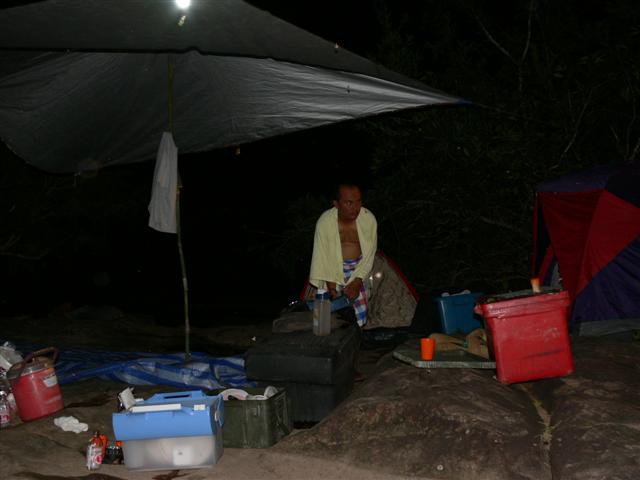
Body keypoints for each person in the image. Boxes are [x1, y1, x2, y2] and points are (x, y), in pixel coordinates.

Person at [309, 183, 377, 327]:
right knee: (328, 317)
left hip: (359, 269)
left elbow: (369, 255)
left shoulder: (368, 219)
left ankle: (357, 334)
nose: (356, 208)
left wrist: (357, 282)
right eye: (349, 203)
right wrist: (332, 289)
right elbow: (323, 257)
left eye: (358, 201)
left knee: (358, 318)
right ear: (336, 204)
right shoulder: (325, 222)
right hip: (331, 271)